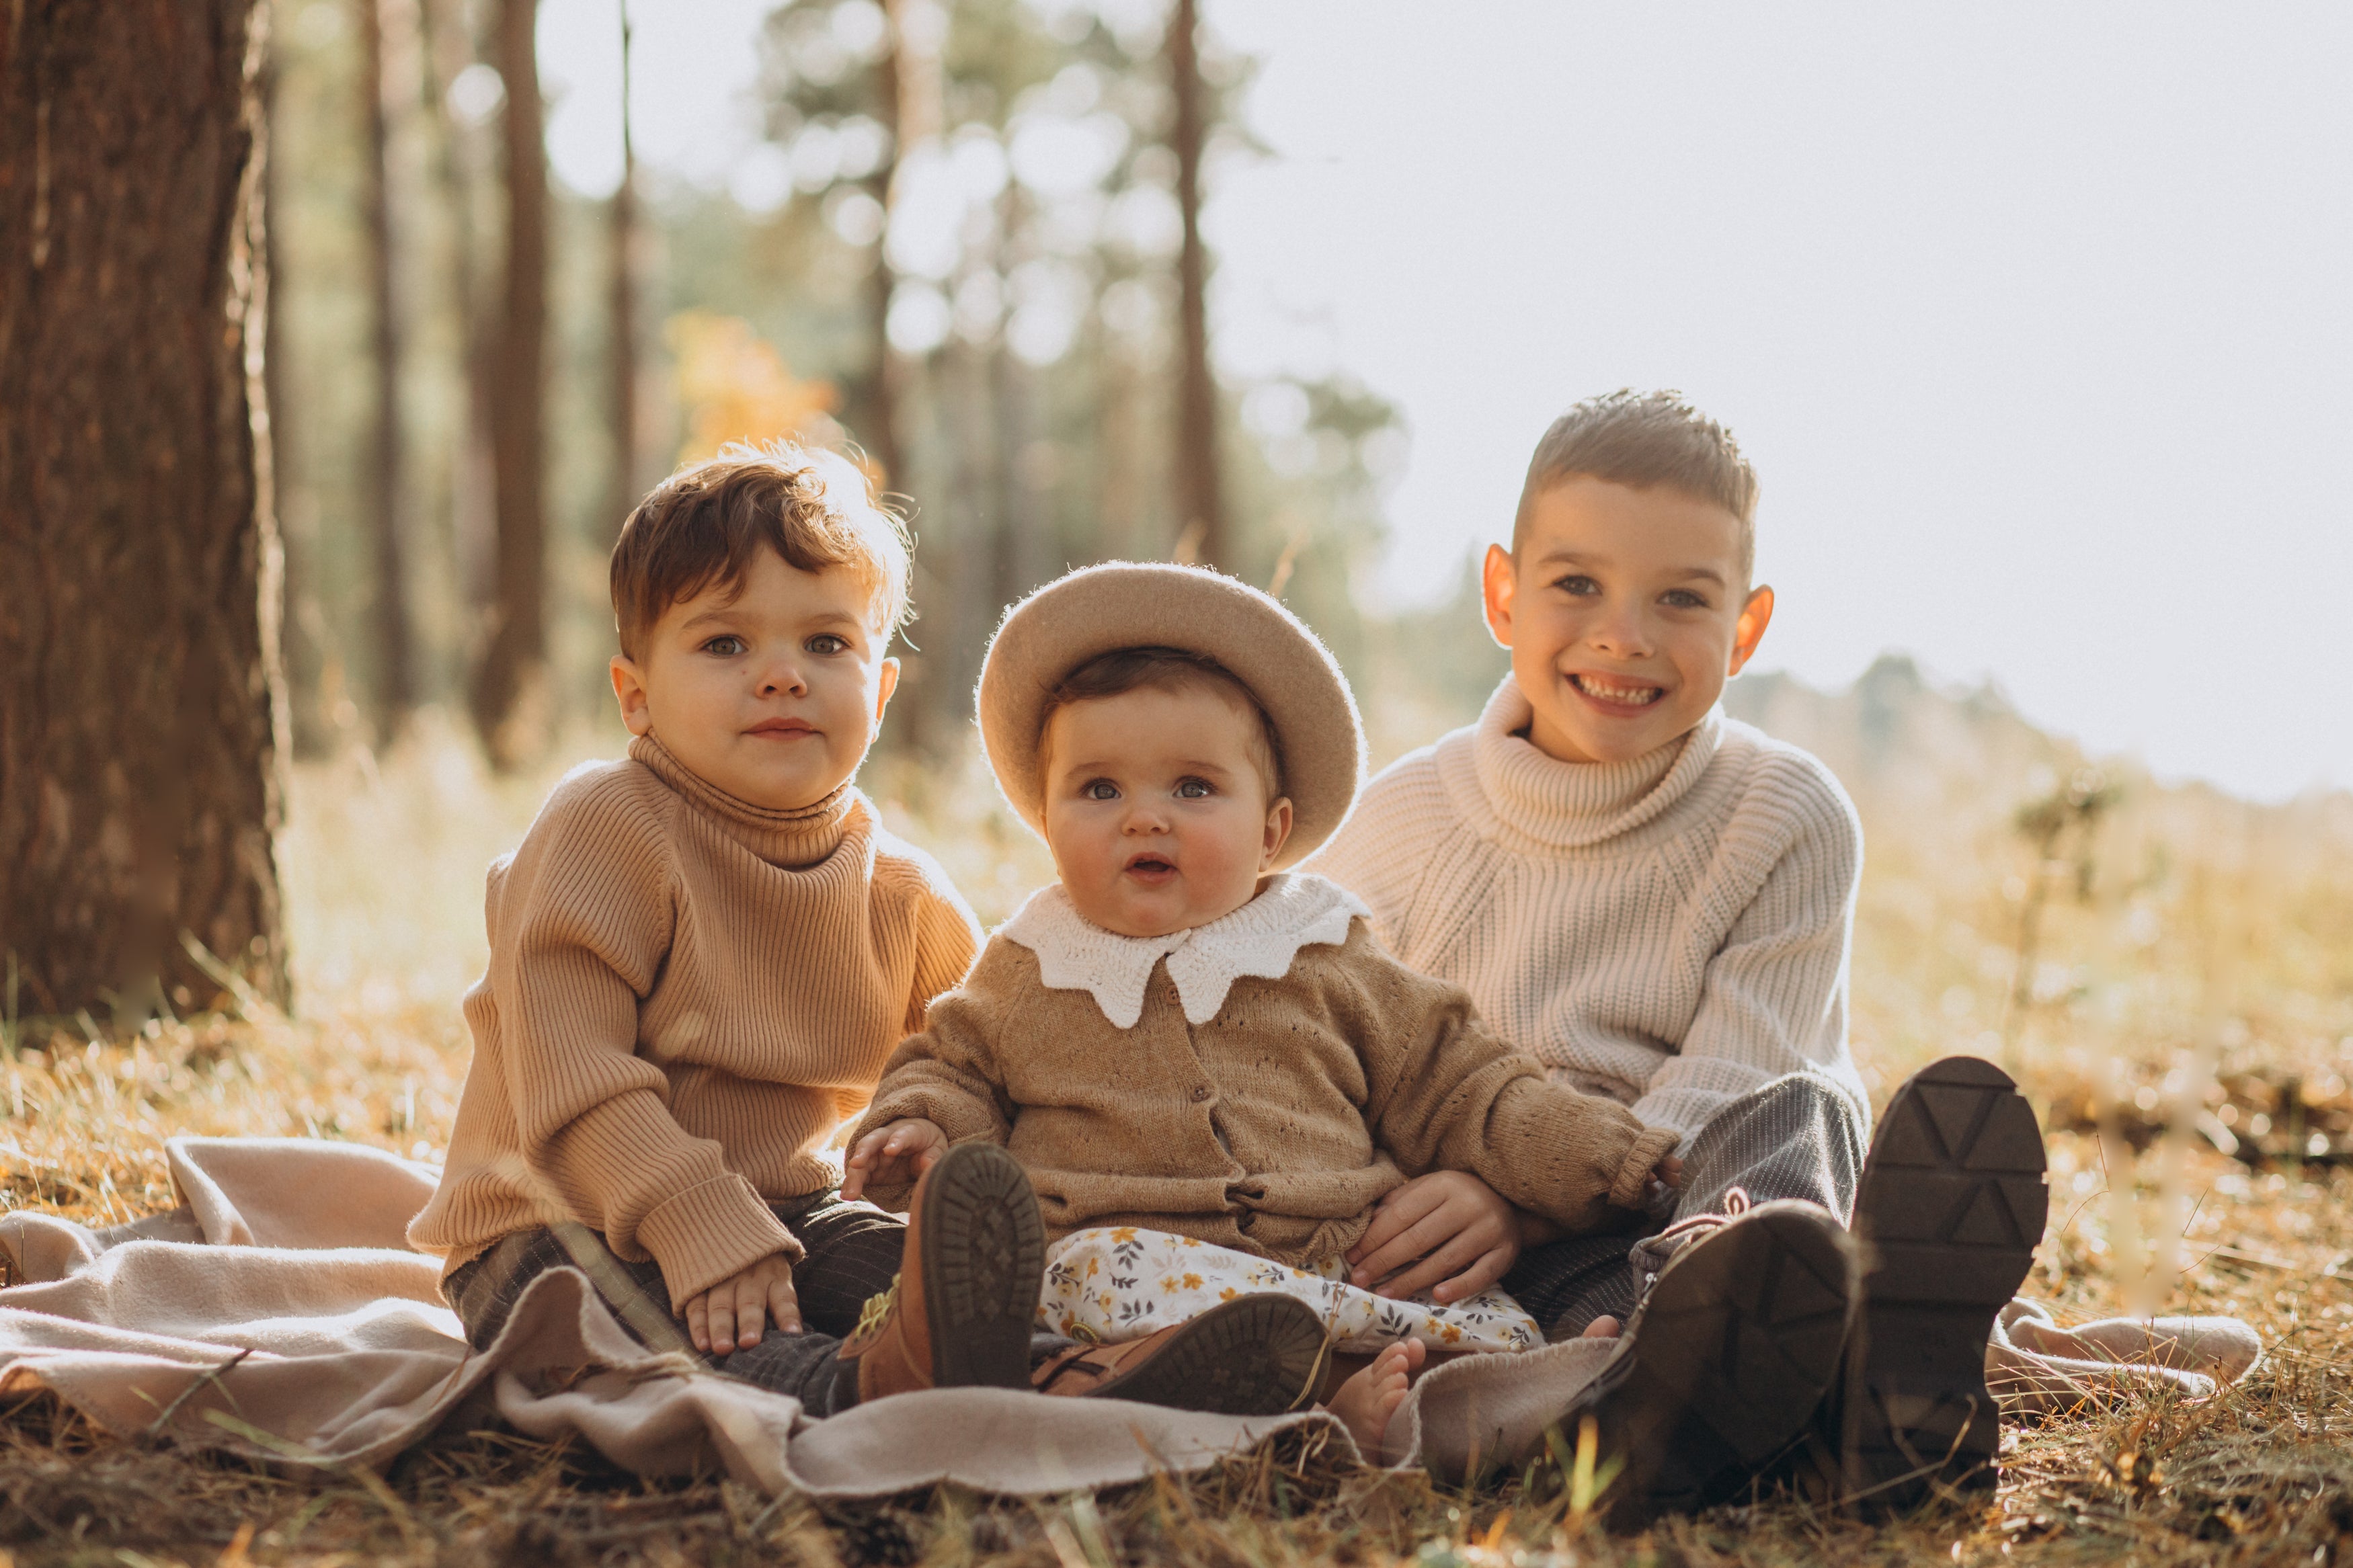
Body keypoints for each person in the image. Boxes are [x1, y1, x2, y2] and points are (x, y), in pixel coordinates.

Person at [1310, 390, 2048, 1517]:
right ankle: (1803, 1395)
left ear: (1745, 629)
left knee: (1802, 1105)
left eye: (1681, 598)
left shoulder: (1785, 813)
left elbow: (1733, 1073)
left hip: (1723, 1207)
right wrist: (1467, 1206)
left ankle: (1762, 1365)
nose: (1625, 634)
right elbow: (1333, 1064)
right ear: (1504, 594)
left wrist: (1531, 1197)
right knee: (1571, 1309)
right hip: (1519, 1267)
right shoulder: (1403, 824)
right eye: (1577, 584)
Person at [839, 563, 1693, 1450]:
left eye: (1192, 788)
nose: (1144, 818)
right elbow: (954, 1066)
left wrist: (1609, 1158)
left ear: (1272, 832)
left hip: (1335, 1269)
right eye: (1099, 790)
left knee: (1450, 1319)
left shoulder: (1324, 951)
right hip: (1123, 1277)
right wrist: (922, 1125)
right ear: (1047, 825)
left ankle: (1487, 1397)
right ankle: (1304, 1404)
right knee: (1090, 1290)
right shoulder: (1031, 964)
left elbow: (1463, 1083)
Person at [407, 442, 1049, 1416]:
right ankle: (846, 1392)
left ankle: (1065, 1363)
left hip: (795, 1211)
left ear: (880, 694)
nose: (783, 676)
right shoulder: (605, 826)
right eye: (724, 645)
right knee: (632, 1317)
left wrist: (931, 1122)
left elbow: (978, 1053)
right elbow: (571, 1079)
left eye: (825, 644)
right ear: (636, 696)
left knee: (952, 1275)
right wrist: (692, 1214)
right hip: (555, 1224)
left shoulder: (902, 890)